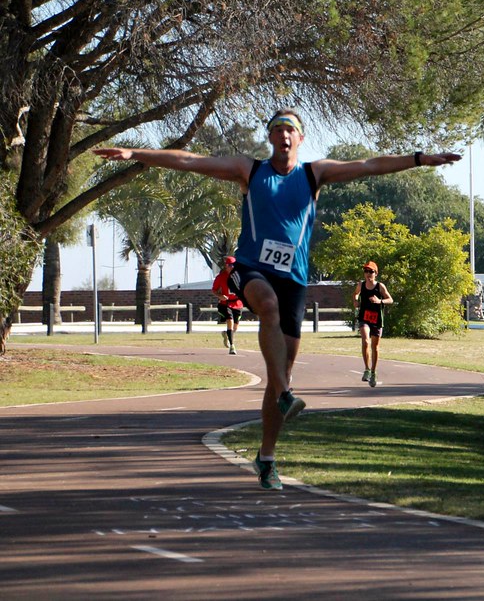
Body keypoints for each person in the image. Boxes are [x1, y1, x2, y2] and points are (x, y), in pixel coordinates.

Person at [95, 108, 460, 490]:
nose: (284, 136)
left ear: (300, 139)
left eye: (291, 131)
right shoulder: (249, 171)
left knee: (281, 369)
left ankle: (266, 455)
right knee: (266, 308)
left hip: (294, 280)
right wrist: (135, 154)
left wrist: (418, 159)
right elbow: (190, 161)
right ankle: (286, 392)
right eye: (278, 130)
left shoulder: (313, 174)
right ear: (270, 137)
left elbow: (369, 164)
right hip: (251, 268)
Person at [353, 260, 393, 387]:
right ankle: (366, 369)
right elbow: (355, 294)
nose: (368, 273)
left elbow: (390, 299)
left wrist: (379, 301)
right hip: (364, 317)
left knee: (375, 347)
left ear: (376, 273)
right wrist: (355, 301)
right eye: (366, 271)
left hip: (376, 319)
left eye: (371, 271)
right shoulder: (361, 285)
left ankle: (374, 372)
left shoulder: (380, 286)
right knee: (365, 341)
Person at [212, 256, 243, 354]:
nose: (231, 267)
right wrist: (220, 296)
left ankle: (227, 334)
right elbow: (214, 290)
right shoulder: (221, 277)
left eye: (233, 265)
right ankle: (232, 346)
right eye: (229, 265)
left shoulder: (240, 275)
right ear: (226, 266)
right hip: (226, 303)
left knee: (235, 327)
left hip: (238, 303)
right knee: (230, 321)